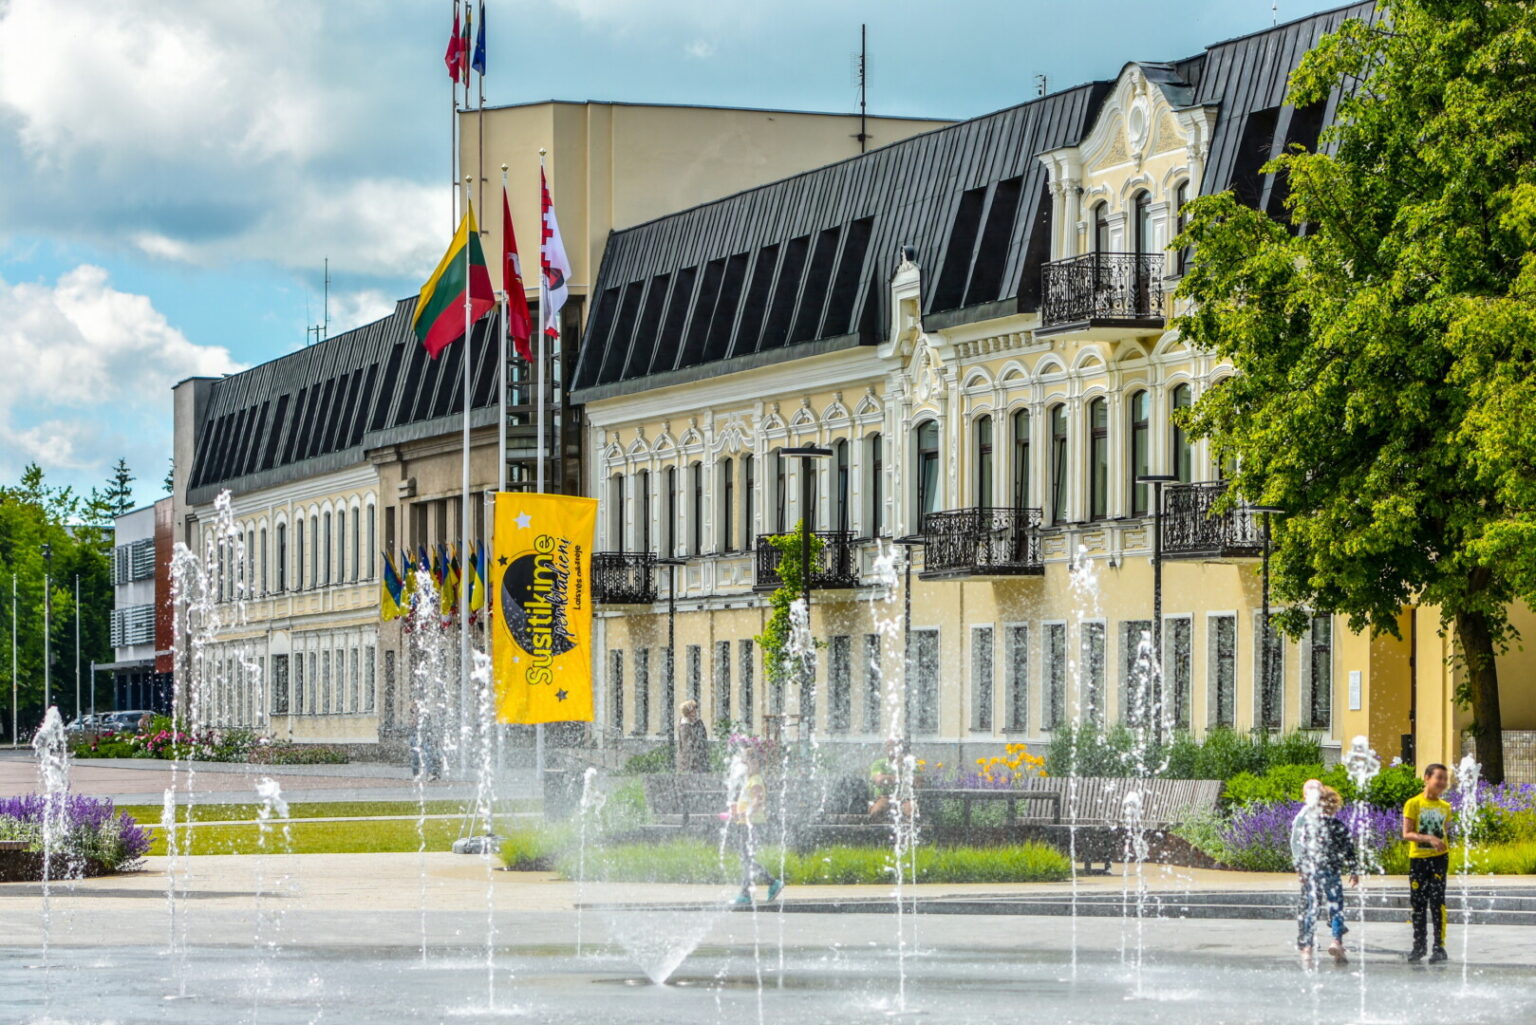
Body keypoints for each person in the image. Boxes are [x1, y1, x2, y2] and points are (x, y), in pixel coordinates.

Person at [1290, 782, 1359, 966]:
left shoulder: (1310, 826)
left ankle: (1307, 950)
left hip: (1312, 872)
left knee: (1311, 909)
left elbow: (1302, 848)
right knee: (1336, 908)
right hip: (1332, 872)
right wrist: (1354, 871)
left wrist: (1300, 869)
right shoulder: (1338, 825)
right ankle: (1336, 941)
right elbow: (1349, 849)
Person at [1402, 762, 1453, 963]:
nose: (1442, 782)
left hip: (1440, 860)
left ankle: (1439, 946)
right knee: (1419, 903)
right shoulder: (1413, 803)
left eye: (1445, 779)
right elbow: (1406, 833)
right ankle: (1419, 945)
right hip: (1418, 861)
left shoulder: (1446, 807)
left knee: (1437, 902)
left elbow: (1445, 831)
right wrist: (1428, 839)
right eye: (1438, 778)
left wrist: (1438, 842)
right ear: (1426, 778)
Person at [726, 746, 783, 907]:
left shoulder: (756, 780)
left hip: (753, 824)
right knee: (746, 859)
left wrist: (747, 814)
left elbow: (759, 801)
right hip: (746, 823)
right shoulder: (750, 780)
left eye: (747, 762)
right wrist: (736, 809)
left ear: (756, 763)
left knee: (747, 859)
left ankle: (765, 885)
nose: (743, 765)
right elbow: (747, 800)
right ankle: (754, 890)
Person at [867, 739, 916, 822]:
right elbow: (879, 780)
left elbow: (918, 782)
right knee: (877, 811)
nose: (893, 748)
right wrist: (905, 778)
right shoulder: (879, 763)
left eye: (896, 745)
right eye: (890, 746)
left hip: (905, 799)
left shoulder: (910, 763)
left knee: (912, 812)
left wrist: (889, 778)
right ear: (886, 748)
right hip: (884, 797)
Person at [675, 700, 709, 773]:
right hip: (687, 759)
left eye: (695, 709)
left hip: (700, 756)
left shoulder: (699, 722)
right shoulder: (683, 726)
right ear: (687, 713)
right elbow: (686, 744)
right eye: (693, 710)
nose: (695, 711)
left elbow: (703, 737)